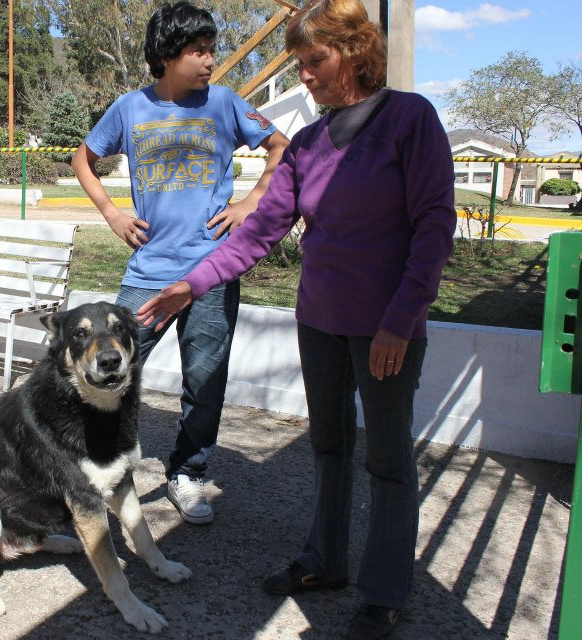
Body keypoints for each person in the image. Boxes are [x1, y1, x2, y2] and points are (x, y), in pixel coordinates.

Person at [136, 0, 455, 637]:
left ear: (356, 53)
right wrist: (189, 286)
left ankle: (385, 590)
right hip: (320, 323)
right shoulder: (308, 143)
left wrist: (399, 320)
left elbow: (433, 228)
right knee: (329, 447)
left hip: (385, 329)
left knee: (389, 462)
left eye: (316, 61)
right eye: (300, 63)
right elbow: (258, 235)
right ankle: (324, 561)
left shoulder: (407, 119)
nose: (304, 76)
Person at [71, 1, 289, 525]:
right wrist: (112, 213)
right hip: (148, 274)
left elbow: (282, 147)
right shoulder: (128, 109)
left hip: (213, 273)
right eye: (199, 50)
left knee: (205, 380)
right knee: (107, 371)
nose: (211, 60)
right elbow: (83, 158)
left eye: (211, 49)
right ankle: (97, 468)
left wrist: (249, 202)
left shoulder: (225, 104)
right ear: (168, 55)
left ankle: (187, 473)